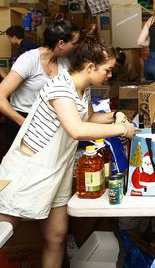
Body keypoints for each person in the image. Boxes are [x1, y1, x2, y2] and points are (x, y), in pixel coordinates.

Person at [0, 35, 136, 268]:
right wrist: (121, 129)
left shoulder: (82, 88)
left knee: (56, 236)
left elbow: (88, 117)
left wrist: (114, 116)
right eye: (108, 70)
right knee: (5, 230)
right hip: (31, 168)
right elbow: (76, 129)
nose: (110, 75)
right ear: (90, 67)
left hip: (58, 168)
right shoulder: (61, 88)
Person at [0, 19, 80, 159]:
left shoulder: (64, 63)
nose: (76, 46)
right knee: (21, 169)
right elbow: (1, 97)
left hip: (47, 123)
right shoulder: (29, 60)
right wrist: (24, 124)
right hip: (22, 120)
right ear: (61, 43)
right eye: (74, 43)